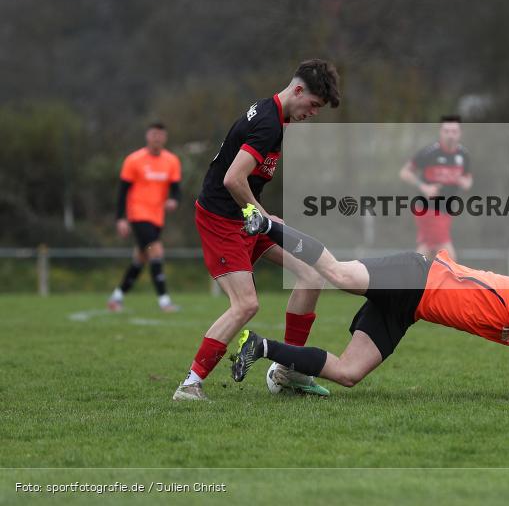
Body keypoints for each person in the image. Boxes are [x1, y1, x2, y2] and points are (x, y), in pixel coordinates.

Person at [230, 205, 509, 399]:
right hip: (416, 276)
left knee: (348, 374)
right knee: (338, 274)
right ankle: (267, 225)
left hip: (410, 309)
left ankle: (260, 347)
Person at [172, 60, 341, 401]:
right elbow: (232, 179)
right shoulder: (268, 122)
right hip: (222, 219)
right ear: (297, 90)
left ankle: (289, 369)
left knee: (311, 275)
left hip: (246, 218)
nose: (313, 113)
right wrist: (265, 217)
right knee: (246, 304)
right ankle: (190, 385)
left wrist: (261, 216)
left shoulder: (275, 115)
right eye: (313, 105)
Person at [108, 122, 182, 313]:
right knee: (156, 251)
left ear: (165, 138)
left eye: (160, 134)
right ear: (147, 136)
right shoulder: (133, 160)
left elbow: (176, 189)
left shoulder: (172, 160)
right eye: (153, 134)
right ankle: (165, 302)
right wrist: (120, 218)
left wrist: (174, 200)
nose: (157, 138)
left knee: (140, 259)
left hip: (158, 217)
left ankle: (116, 298)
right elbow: (122, 192)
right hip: (138, 214)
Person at [399, 115, 472, 259]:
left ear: (460, 133)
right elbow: (404, 172)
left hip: (446, 210)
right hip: (428, 209)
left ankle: (410, 272)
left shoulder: (463, 155)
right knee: (449, 257)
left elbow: (468, 179)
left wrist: (466, 183)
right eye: (446, 131)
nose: (450, 135)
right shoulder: (430, 153)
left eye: (454, 131)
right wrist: (424, 187)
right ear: (440, 132)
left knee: (427, 250)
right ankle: (448, 276)